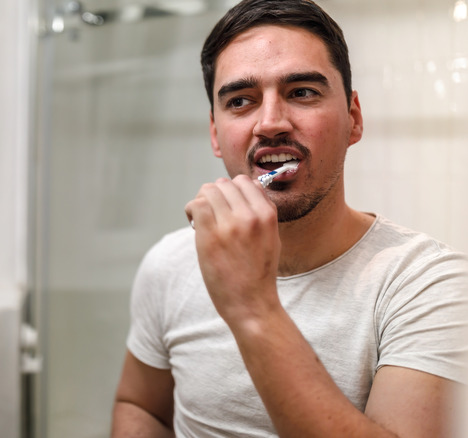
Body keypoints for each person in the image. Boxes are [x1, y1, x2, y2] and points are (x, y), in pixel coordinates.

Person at [110, 0, 468, 436]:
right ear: (215, 133)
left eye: (302, 92)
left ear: (353, 119)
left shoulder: (428, 284)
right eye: (241, 101)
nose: (271, 123)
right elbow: (139, 405)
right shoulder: (170, 262)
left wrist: (251, 306)